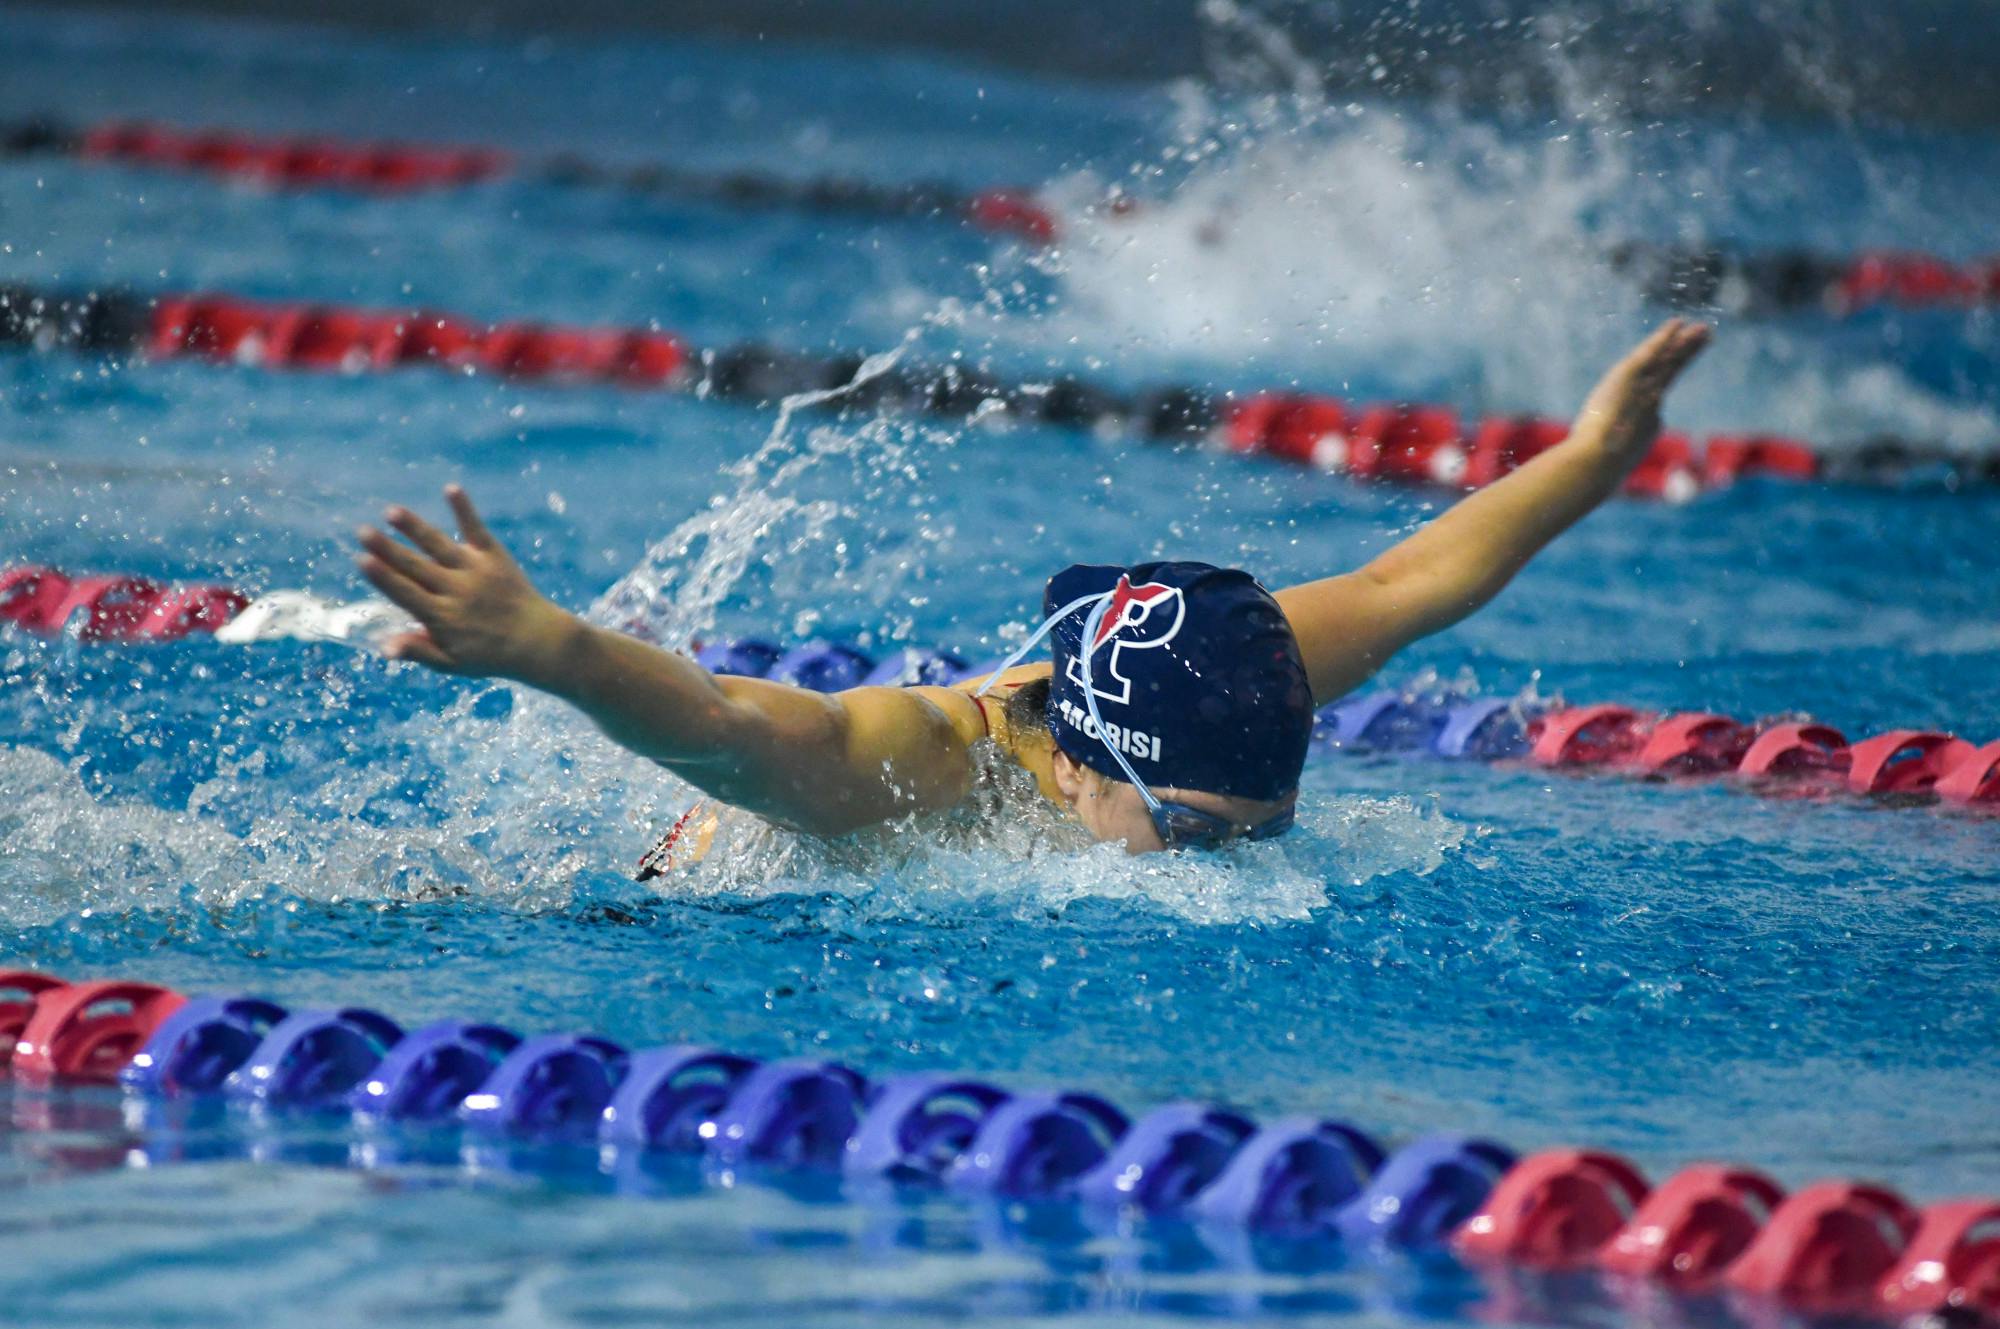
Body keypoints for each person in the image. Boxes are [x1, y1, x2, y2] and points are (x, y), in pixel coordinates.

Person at [356, 318, 1710, 856]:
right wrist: (546, 646)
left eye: (1259, 833)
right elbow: (728, 729)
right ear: (1076, 767)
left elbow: (1413, 577)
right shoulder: (914, 765)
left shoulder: (1230, 673)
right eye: (1193, 835)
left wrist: (1594, 455)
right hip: (654, 897)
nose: (1226, 869)